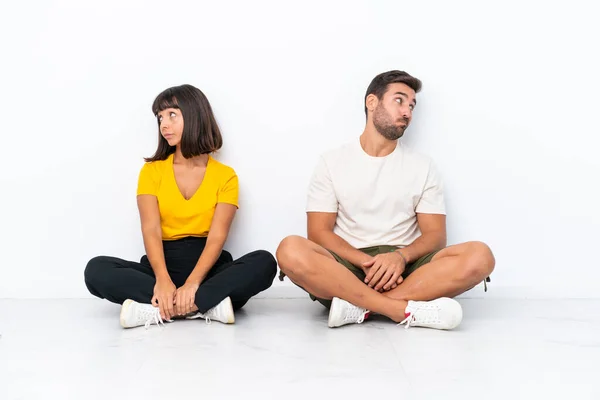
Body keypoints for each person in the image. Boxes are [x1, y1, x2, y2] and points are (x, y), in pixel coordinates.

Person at [276, 71, 495, 330]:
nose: (407, 113)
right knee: (289, 249)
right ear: (372, 102)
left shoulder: (423, 166)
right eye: (399, 101)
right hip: (348, 269)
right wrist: (366, 263)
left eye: (412, 106)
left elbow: (435, 236)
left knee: (481, 256)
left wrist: (400, 258)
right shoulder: (332, 161)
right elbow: (318, 232)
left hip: (407, 270)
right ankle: (397, 309)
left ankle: (357, 306)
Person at [85, 84, 277, 329]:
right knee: (96, 270)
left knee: (264, 262)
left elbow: (218, 237)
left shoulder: (226, 176)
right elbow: (151, 229)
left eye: (172, 115)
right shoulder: (151, 171)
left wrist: (193, 283)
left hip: (208, 270)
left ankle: (160, 308)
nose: (164, 125)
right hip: (161, 265)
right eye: (160, 118)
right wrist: (163, 280)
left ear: (195, 114)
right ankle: (206, 305)